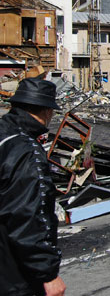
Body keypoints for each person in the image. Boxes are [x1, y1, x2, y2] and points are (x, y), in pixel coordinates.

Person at [0, 78, 66, 296]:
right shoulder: (27, 150)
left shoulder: (4, 135)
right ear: (47, 111)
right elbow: (28, 214)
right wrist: (47, 272)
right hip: (14, 272)